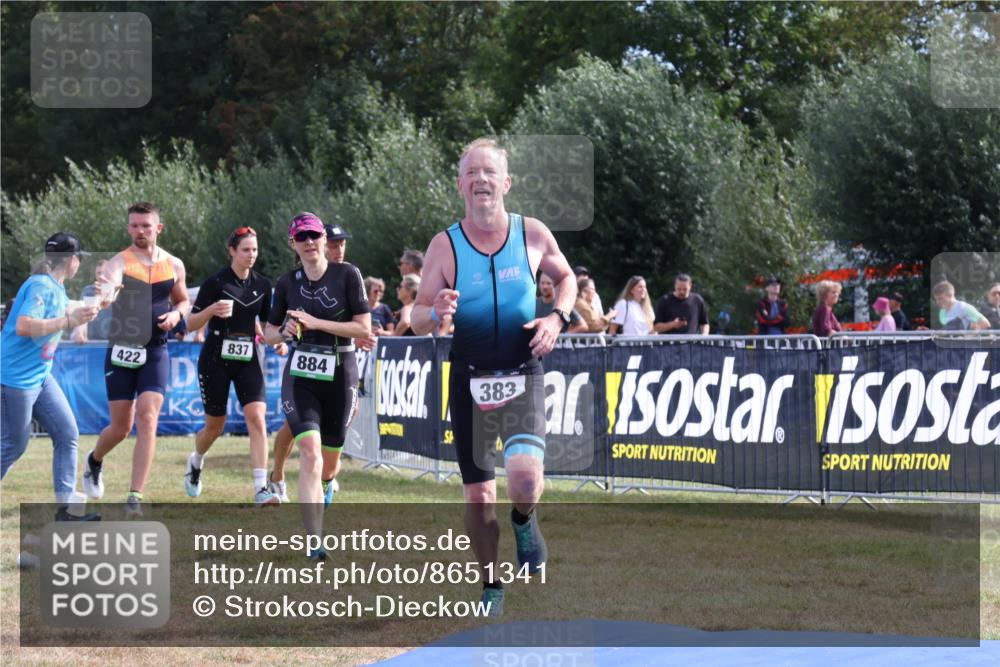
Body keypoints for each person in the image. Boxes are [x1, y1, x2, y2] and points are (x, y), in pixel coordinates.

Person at [410, 138, 576, 616]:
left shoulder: (533, 233)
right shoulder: (445, 245)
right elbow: (417, 315)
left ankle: (525, 521)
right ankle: (491, 585)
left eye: (489, 172)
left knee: (523, 481)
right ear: (460, 184)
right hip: (468, 378)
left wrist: (555, 318)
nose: (480, 180)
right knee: (480, 496)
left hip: (523, 372)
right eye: (471, 173)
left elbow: (566, 280)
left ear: (505, 183)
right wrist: (434, 309)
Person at [263, 213, 370, 557]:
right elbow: (268, 334)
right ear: (293, 243)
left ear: (324, 239)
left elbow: (363, 328)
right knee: (308, 452)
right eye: (301, 237)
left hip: (341, 371)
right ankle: (314, 540)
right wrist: (285, 332)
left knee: (329, 463)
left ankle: (327, 484)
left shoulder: (347, 275)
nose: (309, 242)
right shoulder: (286, 283)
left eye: (314, 235)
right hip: (301, 373)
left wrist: (314, 321)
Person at [83, 202, 191, 517]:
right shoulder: (118, 263)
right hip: (121, 350)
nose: (139, 231)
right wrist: (105, 294)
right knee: (120, 427)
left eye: (145, 225)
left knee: (147, 418)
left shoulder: (174, 264)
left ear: (158, 227)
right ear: (128, 228)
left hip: (156, 350)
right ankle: (94, 460)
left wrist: (176, 314)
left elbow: (183, 300)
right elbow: (108, 289)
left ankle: (134, 496)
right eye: (134, 225)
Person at [1, 233, 100, 521]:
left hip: (39, 377)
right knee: (13, 445)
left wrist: (100, 302)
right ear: (72, 260)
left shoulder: (54, 286)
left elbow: (69, 307)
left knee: (68, 434)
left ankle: (66, 512)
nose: (79, 263)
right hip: (15, 379)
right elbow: (23, 325)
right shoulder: (41, 285)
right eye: (79, 258)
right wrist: (70, 322)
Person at [182, 226, 281, 506]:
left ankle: (261, 489)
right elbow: (190, 323)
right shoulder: (215, 282)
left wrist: (273, 339)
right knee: (215, 427)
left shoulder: (262, 285)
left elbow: (261, 323)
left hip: (249, 356)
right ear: (232, 252)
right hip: (216, 357)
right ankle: (196, 461)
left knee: (257, 420)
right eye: (246, 250)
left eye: (255, 250)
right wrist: (212, 310)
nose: (251, 255)